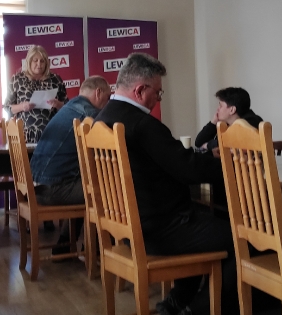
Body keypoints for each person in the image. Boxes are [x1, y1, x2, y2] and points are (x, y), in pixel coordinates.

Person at [95, 53, 237, 315]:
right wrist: (234, 165)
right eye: (158, 93)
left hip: (132, 229)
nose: (159, 99)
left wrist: (201, 157)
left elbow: (172, 160)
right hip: (161, 232)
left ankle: (174, 304)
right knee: (240, 238)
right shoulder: (142, 125)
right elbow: (188, 169)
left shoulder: (102, 118)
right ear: (140, 90)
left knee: (204, 221)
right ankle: (197, 310)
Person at [30, 76, 111, 254]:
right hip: (53, 190)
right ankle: (99, 248)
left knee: (86, 182)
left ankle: (65, 245)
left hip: (35, 188)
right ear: (98, 93)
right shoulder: (89, 115)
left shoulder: (67, 108)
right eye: (108, 97)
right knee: (109, 191)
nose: (108, 103)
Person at [4, 46, 67, 143]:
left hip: (52, 133)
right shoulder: (17, 79)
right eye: (35, 61)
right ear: (29, 62)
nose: (39, 64)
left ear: (46, 63)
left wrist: (57, 104)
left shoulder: (55, 79)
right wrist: (22, 106)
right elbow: (7, 107)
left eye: (42, 61)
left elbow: (67, 106)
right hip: (25, 134)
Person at [194, 87, 263, 156]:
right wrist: (213, 122)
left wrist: (208, 145)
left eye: (220, 106)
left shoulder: (251, 122)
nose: (218, 109)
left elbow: (230, 141)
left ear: (232, 110)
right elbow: (199, 142)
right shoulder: (227, 123)